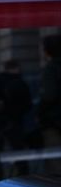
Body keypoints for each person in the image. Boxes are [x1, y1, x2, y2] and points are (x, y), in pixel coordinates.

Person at [39, 34, 61, 175]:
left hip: (54, 122)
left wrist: (40, 113)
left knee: (56, 164)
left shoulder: (51, 68)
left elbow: (49, 96)